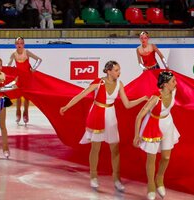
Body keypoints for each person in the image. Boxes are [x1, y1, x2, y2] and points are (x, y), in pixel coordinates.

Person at [60, 61, 147, 190]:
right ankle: (93, 177)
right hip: (97, 114)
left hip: (111, 115)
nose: (119, 72)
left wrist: (142, 99)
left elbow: (127, 105)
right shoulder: (98, 82)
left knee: (115, 149)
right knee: (96, 147)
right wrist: (67, 106)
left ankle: (117, 179)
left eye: (119, 70)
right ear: (108, 71)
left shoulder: (119, 84)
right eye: (116, 70)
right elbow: (82, 95)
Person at [133, 71, 180, 200]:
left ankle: (159, 178)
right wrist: (136, 135)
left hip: (167, 123)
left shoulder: (173, 91)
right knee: (152, 157)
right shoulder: (155, 98)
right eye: (173, 82)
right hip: (153, 124)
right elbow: (139, 116)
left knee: (166, 156)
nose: (176, 83)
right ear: (165, 84)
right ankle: (151, 185)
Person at [8, 37, 42, 125]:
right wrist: (10, 69)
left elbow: (39, 59)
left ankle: (26, 112)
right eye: (17, 43)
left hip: (27, 77)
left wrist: (34, 68)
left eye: (21, 43)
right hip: (19, 78)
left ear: (23, 44)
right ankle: (18, 111)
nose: (19, 45)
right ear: (15, 45)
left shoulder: (27, 52)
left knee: (26, 97)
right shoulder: (13, 54)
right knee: (18, 96)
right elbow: (8, 65)